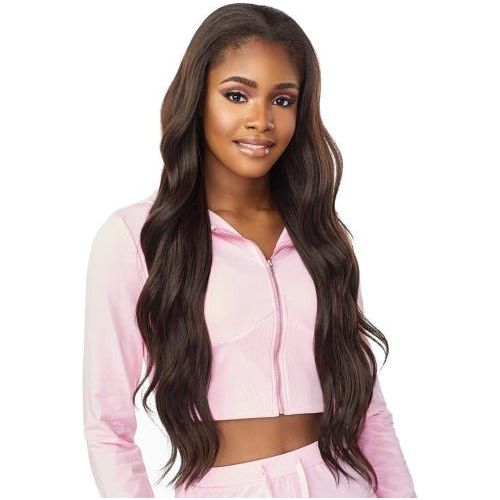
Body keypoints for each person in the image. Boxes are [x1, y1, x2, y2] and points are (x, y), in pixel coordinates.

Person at [82, 3, 417, 498]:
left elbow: (369, 410)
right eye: (237, 95)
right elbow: (107, 427)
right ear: (198, 99)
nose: (261, 120)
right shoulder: (137, 237)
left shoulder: (321, 236)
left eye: (282, 100)